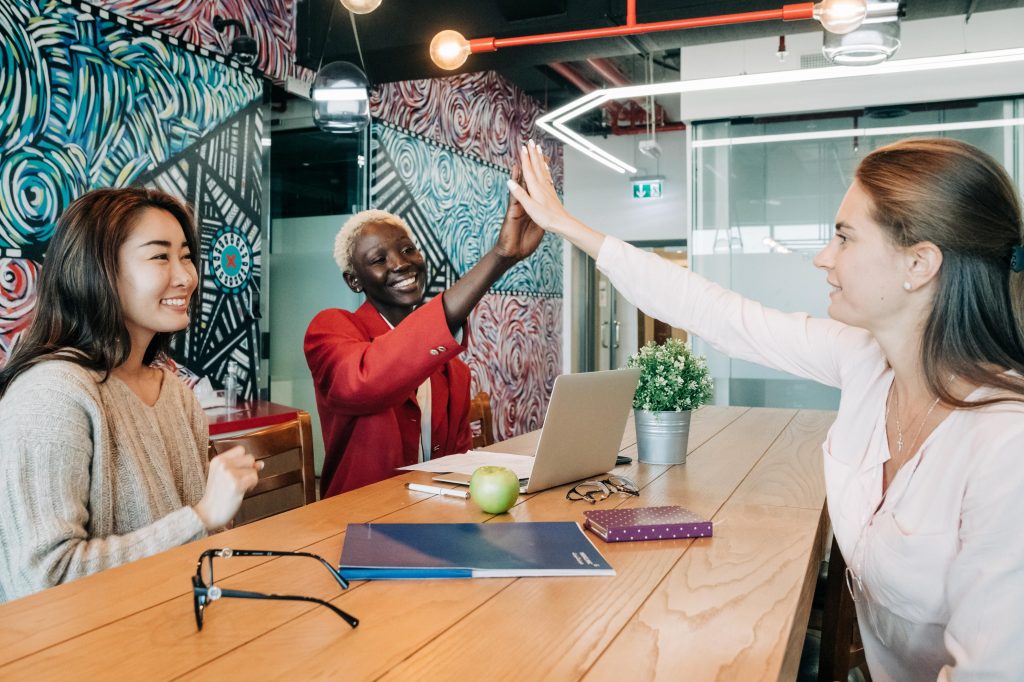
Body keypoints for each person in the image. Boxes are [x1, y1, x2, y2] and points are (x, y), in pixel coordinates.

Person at [508, 138, 1024, 681]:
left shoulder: (1005, 448)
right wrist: (569, 226)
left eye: (845, 237)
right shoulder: (865, 361)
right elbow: (720, 314)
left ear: (919, 263)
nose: (824, 256)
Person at [0, 187, 261, 602]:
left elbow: (201, 552)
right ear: (96, 269)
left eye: (186, 255)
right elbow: (43, 581)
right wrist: (201, 516)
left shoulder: (176, 394)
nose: (186, 276)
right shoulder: (50, 395)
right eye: (160, 256)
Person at [305, 171, 544, 497]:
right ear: (354, 281)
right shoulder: (330, 329)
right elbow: (368, 379)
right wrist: (500, 256)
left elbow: (456, 464)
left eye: (407, 250)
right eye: (378, 260)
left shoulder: (454, 372)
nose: (401, 264)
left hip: (432, 518)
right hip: (357, 524)